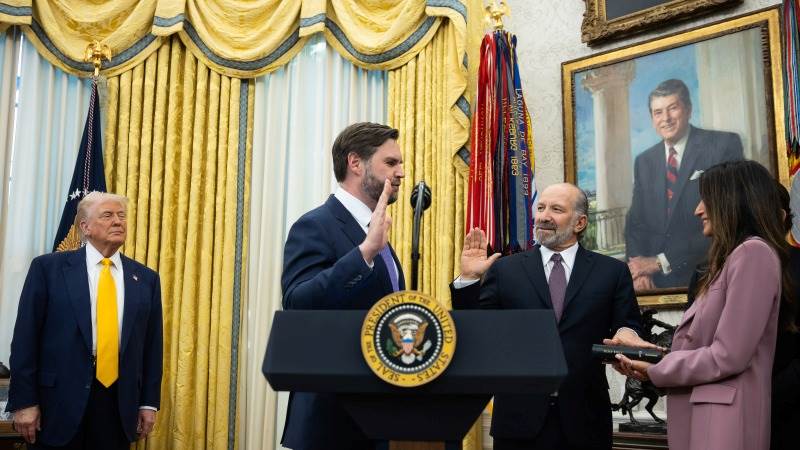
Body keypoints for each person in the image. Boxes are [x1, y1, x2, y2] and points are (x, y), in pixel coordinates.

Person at [452, 182, 646, 450]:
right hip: (519, 423)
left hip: (585, 421)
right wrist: (470, 279)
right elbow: (477, 334)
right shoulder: (505, 270)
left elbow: (628, 325)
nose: (543, 215)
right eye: (541, 207)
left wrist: (627, 334)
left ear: (579, 222)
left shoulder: (611, 272)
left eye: (556, 209)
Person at [615, 160, 793, 450]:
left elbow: (728, 356)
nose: (698, 209)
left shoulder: (753, 253)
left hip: (725, 425)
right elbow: (703, 346)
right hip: (705, 417)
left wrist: (656, 369)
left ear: (732, 201)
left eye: (706, 200)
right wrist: (654, 355)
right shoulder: (729, 260)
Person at [280, 122, 405, 450]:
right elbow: (297, 304)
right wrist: (364, 253)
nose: (401, 172)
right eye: (391, 163)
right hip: (331, 421)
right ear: (355, 163)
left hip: (381, 414)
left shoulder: (378, 233)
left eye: (400, 164)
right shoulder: (314, 225)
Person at [6, 192, 163, 449]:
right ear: (85, 227)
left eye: (122, 216)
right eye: (108, 215)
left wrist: (148, 403)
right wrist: (24, 402)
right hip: (56, 403)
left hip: (118, 405)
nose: (118, 222)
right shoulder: (48, 269)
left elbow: (152, 347)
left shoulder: (146, 278)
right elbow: (25, 339)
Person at [625, 79, 743, 290]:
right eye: (658, 112)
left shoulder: (723, 145)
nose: (666, 119)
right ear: (652, 118)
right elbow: (635, 224)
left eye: (673, 108)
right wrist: (637, 270)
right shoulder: (644, 161)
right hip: (653, 283)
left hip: (709, 276)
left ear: (688, 109)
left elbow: (729, 217)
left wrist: (660, 262)